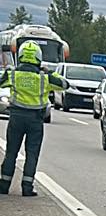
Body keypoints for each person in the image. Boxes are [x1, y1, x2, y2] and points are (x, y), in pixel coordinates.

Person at [1, 40, 67, 195]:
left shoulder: (13, 74)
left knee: (11, 152)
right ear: (38, 57)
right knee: (32, 153)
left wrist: (8, 71)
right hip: (36, 120)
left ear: (21, 56)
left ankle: (3, 185)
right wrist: (50, 72)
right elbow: (65, 84)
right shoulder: (44, 77)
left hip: (16, 117)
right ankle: (27, 187)